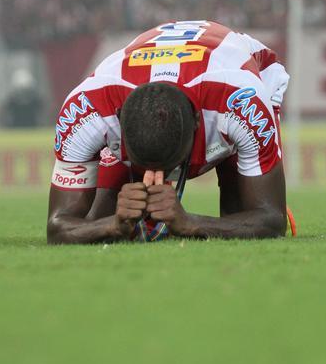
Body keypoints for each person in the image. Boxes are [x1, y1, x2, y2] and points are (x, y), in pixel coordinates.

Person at [47, 20, 296, 244]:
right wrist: (111, 224)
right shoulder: (86, 110)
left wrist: (190, 223)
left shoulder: (242, 105)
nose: (158, 177)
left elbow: (270, 219)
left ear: (198, 123)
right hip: (176, 81)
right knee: (104, 222)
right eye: (145, 165)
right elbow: (58, 228)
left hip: (240, 77)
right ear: (119, 122)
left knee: (238, 215)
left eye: (170, 165)